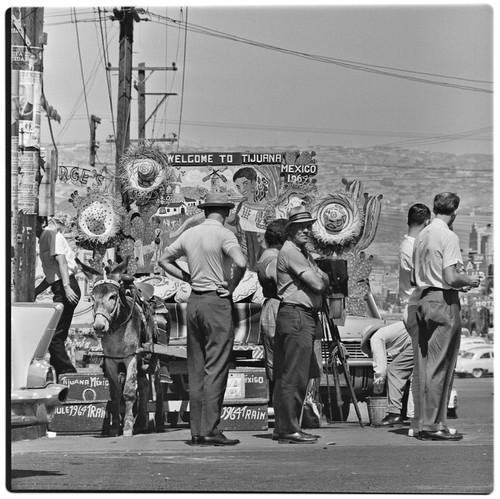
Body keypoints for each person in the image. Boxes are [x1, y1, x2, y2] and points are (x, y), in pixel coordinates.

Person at [158, 192, 247, 446]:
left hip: (194, 301)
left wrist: (186, 278)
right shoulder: (224, 234)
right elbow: (241, 262)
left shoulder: (189, 234)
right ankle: (211, 429)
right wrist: (230, 286)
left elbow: (164, 259)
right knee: (216, 368)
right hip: (216, 302)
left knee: (195, 369)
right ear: (226, 212)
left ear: (205, 211)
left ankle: (197, 431)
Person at [411, 192, 480, 441]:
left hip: (423, 299)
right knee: (441, 365)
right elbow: (451, 278)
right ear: (454, 213)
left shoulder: (422, 235)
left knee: (426, 364)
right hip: (443, 302)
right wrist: (468, 280)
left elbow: (413, 276)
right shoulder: (448, 236)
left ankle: (424, 423)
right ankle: (434, 425)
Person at [273, 205, 329, 444]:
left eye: (308, 226)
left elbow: (322, 277)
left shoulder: (302, 253)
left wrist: (319, 277)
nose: (306, 230)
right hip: (297, 315)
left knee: (295, 373)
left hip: (300, 315)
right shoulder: (293, 252)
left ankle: (287, 426)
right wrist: (318, 278)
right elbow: (319, 284)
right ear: (291, 230)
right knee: (294, 375)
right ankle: (288, 428)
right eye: (300, 227)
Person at [399, 203, 431, 433]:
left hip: (413, 306)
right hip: (414, 307)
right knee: (421, 369)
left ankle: (418, 420)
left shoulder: (409, 245)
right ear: (427, 223)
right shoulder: (411, 247)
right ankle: (415, 420)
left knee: (423, 368)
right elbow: (417, 279)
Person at [35, 215, 81, 378]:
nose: (32, 226)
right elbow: (51, 277)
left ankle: (69, 373)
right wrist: (34, 292)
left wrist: (67, 287)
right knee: (57, 335)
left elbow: (62, 262)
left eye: (35, 222)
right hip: (60, 286)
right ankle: (59, 373)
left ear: (43, 223)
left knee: (53, 335)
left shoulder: (52, 235)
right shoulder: (42, 240)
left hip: (66, 286)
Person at [256, 218, 288, 407]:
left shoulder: (267, 255)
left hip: (272, 307)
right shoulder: (273, 258)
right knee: (282, 363)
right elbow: (283, 283)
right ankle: (284, 412)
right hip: (278, 307)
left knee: (277, 363)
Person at [228, 167, 274, 272]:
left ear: (254, 182)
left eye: (245, 184)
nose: (242, 190)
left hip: (262, 248)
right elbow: (236, 224)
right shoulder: (241, 205)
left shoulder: (267, 205)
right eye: (238, 186)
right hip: (245, 248)